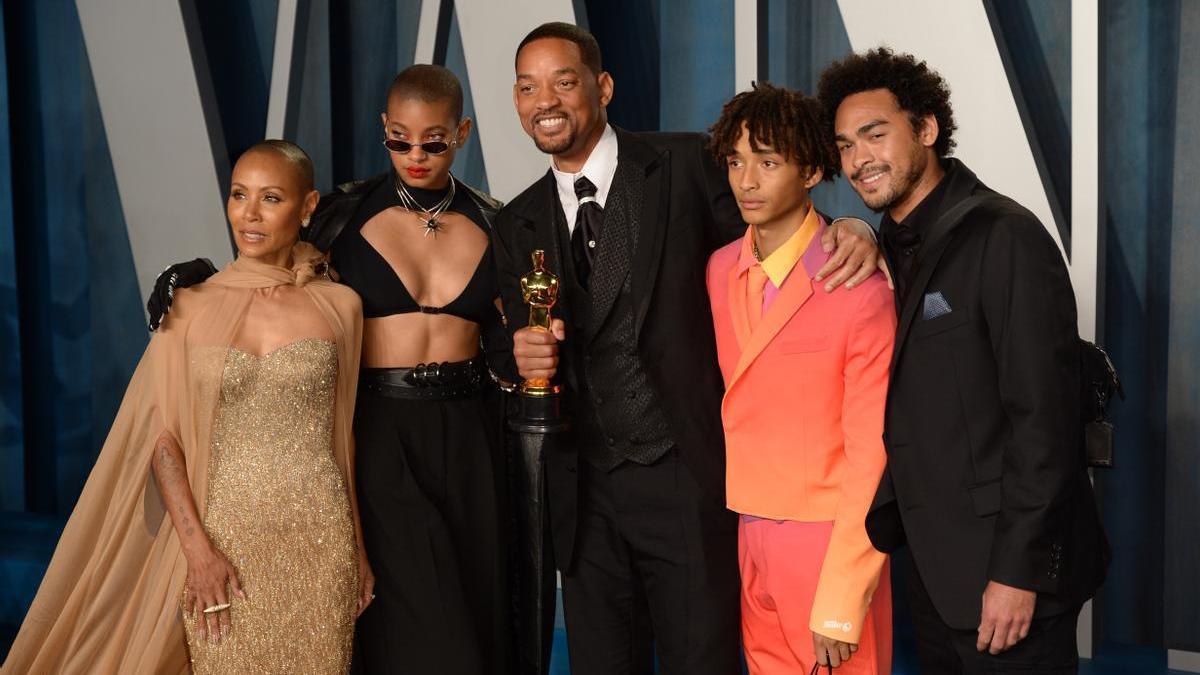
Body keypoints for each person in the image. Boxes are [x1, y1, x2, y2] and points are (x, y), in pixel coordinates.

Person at [493, 22, 882, 674]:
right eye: (529, 87)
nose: (547, 100)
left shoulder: (688, 164)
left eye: (564, 80)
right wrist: (515, 358)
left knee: (700, 660)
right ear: (516, 101)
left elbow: (772, 232)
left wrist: (849, 226)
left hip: (686, 475)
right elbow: (508, 345)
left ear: (603, 86)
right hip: (583, 492)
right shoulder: (515, 220)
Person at [144, 65, 512, 675]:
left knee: (478, 607)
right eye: (399, 139)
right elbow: (268, 254)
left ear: (462, 132)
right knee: (420, 621)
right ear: (383, 131)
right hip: (380, 433)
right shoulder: (340, 214)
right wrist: (198, 273)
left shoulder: (499, 222)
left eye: (433, 141)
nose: (415, 154)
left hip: (473, 432)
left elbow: (510, 336)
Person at [2, 140, 372, 674]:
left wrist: (357, 550)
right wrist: (198, 551)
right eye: (239, 195)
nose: (249, 213)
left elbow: (344, 439)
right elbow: (163, 441)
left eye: (271, 198)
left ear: (308, 205)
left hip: (320, 544)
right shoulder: (188, 306)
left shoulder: (341, 306)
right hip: (222, 544)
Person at [818, 48, 1109, 673]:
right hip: (932, 570)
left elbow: (1045, 424)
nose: (859, 159)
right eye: (845, 146)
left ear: (926, 130)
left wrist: (1016, 574)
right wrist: (862, 233)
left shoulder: (1004, 236)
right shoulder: (885, 246)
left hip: (1006, 577)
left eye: (876, 134)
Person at [705, 82, 894, 674]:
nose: (747, 181)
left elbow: (870, 454)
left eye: (768, 161)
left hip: (828, 539)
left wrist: (843, 595)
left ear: (811, 169)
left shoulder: (858, 285)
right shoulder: (719, 271)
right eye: (736, 161)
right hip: (748, 526)